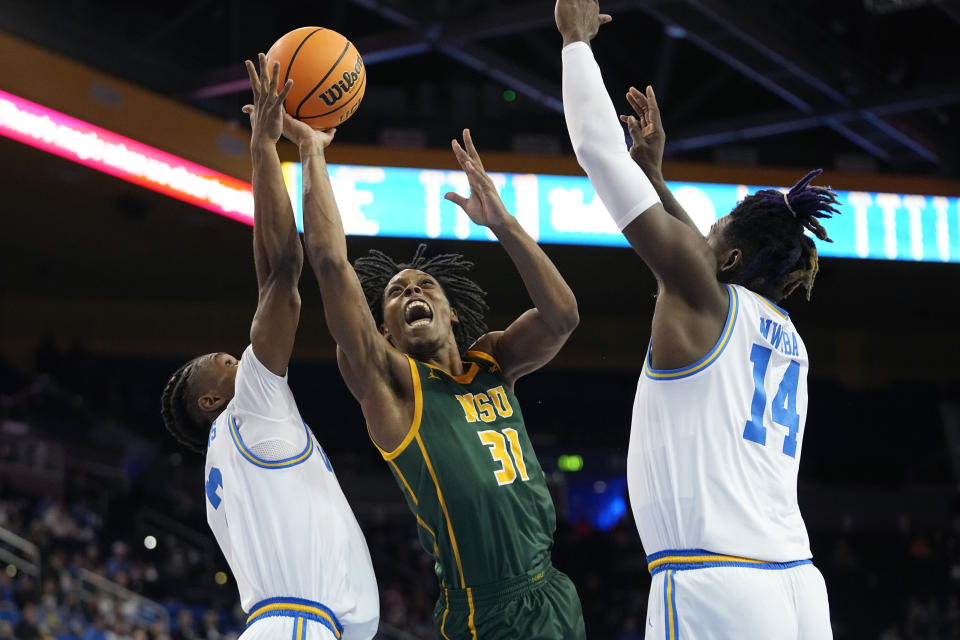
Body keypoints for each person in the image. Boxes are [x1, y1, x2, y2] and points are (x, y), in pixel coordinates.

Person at [555, 1, 838, 638]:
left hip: (720, 580)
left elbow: (598, 152)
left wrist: (575, 41)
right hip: (797, 583)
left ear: (732, 257)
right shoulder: (788, 337)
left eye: (711, 231)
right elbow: (696, 254)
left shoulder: (703, 296)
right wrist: (654, 174)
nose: (695, 231)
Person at [281, 110, 585, 640]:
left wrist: (503, 224)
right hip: (484, 612)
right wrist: (312, 150)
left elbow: (562, 316)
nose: (413, 293)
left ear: (452, 313)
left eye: (425, 287)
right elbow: (331, 264)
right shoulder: (390, 383)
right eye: (397, 293)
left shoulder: (494, 362)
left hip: (555, 593)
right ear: (385, 331)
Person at [159, 54, 378, 640]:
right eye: (225, 363)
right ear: (210, 401)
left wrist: (267, 147)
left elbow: (270, 281)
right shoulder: (248, 408)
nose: (238, 356)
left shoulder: (234, 443)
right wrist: (272, 148)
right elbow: (284, 271)